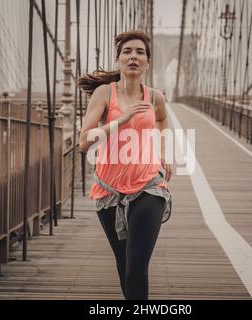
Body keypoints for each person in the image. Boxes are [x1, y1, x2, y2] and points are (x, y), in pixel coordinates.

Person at [77, 30, 173, 300]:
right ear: (119, 59)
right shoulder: (104, 94)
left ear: (147, 62)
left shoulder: (155, 97)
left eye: (140, 52)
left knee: (138, 265)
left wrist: (164, 153)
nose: (133, 56)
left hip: (149, 185)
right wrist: (122, 120)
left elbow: (163, 121)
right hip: (109, 191)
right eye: (127, 51)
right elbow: (84, 141)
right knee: (125, 265)